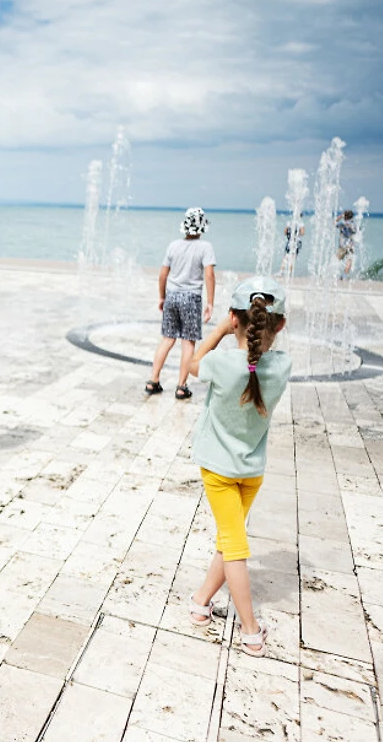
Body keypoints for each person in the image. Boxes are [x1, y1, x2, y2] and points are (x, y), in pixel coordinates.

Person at [187, 276, 291, 658]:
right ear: (280, 324)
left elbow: (192, 365)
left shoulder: (220, 364)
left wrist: (218, 330)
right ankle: (200, 602)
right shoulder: (283, 366)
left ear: (235, 319)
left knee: (232, 544)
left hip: (218, 469)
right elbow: (256, 363)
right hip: (252, 470)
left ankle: (250, 631)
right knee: (232, 539)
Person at [146, 207, 216, 400]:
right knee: (188, 342)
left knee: (167, 339)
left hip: (172, 296)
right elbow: (209, 275)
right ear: (202, 228)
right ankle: (181, 386)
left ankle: (153, 380)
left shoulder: (173, 246)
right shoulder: (205, 247)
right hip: (191, 298)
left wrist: (162, 297)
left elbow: (162, 275)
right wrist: (210, 303)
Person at [335, 209, 357, 278]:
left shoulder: (342, 224)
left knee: (337, 260)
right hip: (350, 245)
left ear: (345, 216)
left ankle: (335, 274)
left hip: (342, 245)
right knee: (349, 260)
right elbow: (355, 232)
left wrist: (340, 217)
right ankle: (344, 276)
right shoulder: (353, 224)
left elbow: (334, 223)